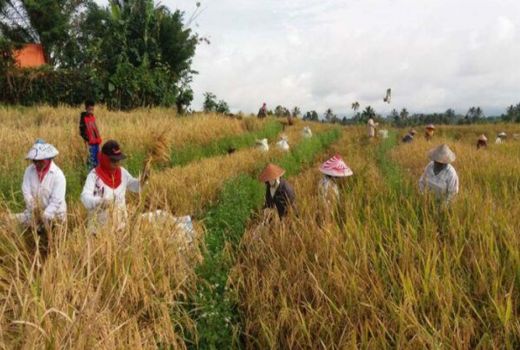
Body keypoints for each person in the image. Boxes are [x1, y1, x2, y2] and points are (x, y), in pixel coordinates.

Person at [80, 140, 146, 234]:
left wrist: (144, 180)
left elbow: (136, 187)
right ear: (104, 159)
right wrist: (99, 202)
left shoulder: (122, 173)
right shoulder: (94, 176)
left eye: (118, 160)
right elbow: (84, 197)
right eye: (113, 160)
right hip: (99, 232)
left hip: (120, 228)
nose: (116, 163)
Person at [16, 140, 67, 227]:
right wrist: (35, 210)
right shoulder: (29, 171)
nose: (37, 164)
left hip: (54, 215)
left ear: (49, 159)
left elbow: (56, 201)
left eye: (40, 161)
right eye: (35, 161)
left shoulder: (58, 175)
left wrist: (43, 216)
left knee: (50, 230)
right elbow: (26, 192)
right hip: (34, 213)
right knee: (10, 220)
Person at [79, 99, 102, 169]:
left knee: (97, 161)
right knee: (91, 162)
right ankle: (90, 177)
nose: (91, 111)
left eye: (92, 109)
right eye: (90, 109)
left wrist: (99, 142)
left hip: (96, 143)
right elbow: (81, 132)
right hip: (90, 144)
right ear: (86, 108)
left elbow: (95, 130)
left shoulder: (92, 117)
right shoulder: (83, 118)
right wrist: (87, 141)